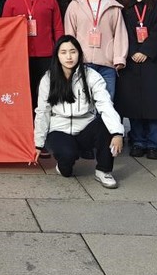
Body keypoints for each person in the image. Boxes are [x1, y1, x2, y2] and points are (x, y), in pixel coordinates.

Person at [34, 35, 125, 188]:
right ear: (57, 55)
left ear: (79, 54)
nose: (69, 57)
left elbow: (105, 104)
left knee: (105, 123)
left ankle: (104, 171)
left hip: (85, 128)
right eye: (63, 52)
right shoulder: (48, 79)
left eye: (73, 52)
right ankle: (63, 164)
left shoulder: (91, 76)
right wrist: (38, 144)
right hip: (59, 130)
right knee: (67, 163)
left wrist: (117, 133)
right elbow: (43, 111)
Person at [116, 0, 157, 160]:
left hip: (153, 60)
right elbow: (121, 30)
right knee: (134, 102)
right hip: (131, 60)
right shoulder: (124, 3)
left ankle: (155, 143)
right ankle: (138, 141)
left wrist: (146, 51)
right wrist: (132, 51)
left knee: (155, 102)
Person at [2, 0, 64, 112]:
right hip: (21, 56)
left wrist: (59, 51)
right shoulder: (12, 0)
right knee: (24, 93)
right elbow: (5, 30)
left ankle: (45, 123)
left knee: (45, 93)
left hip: (46, 55)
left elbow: (58, 28)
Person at [62, 0, 127, 99]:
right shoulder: (75, 5)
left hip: (107, 65)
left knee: (106, 102)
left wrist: (119, 58)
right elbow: (69, 34)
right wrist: (71, 58)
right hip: (82, 63)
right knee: (83, 102)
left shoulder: (112, 6)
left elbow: (120, 34)